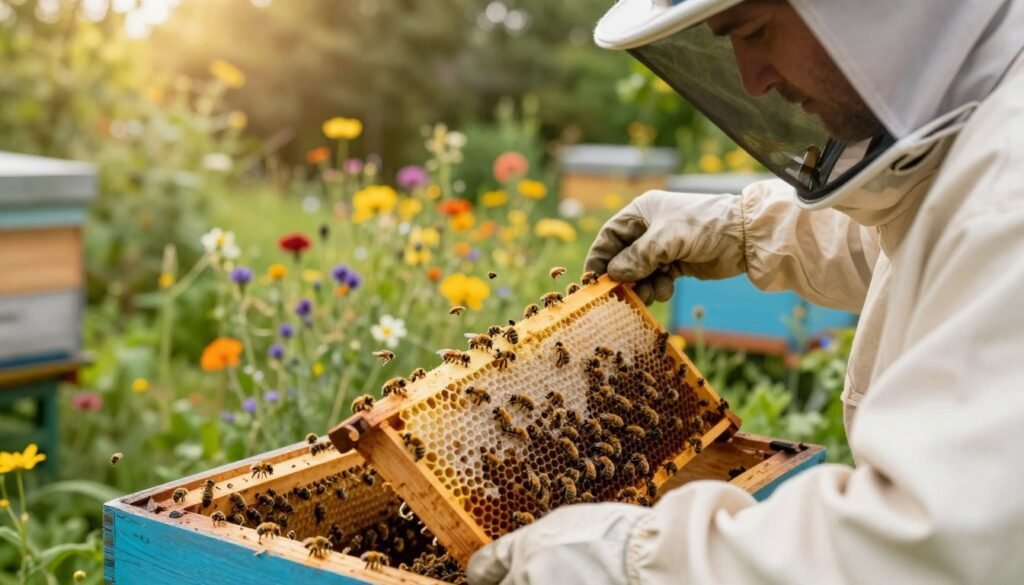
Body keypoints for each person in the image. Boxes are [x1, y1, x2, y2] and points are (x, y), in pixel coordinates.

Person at [467, 0, 1024, 583]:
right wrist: (747, 229)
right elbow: (922, 248)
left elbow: (923, 552)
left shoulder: (1008, 197)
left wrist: (629, 561)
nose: (752, 82)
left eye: (756, 30)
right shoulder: (985, 128)